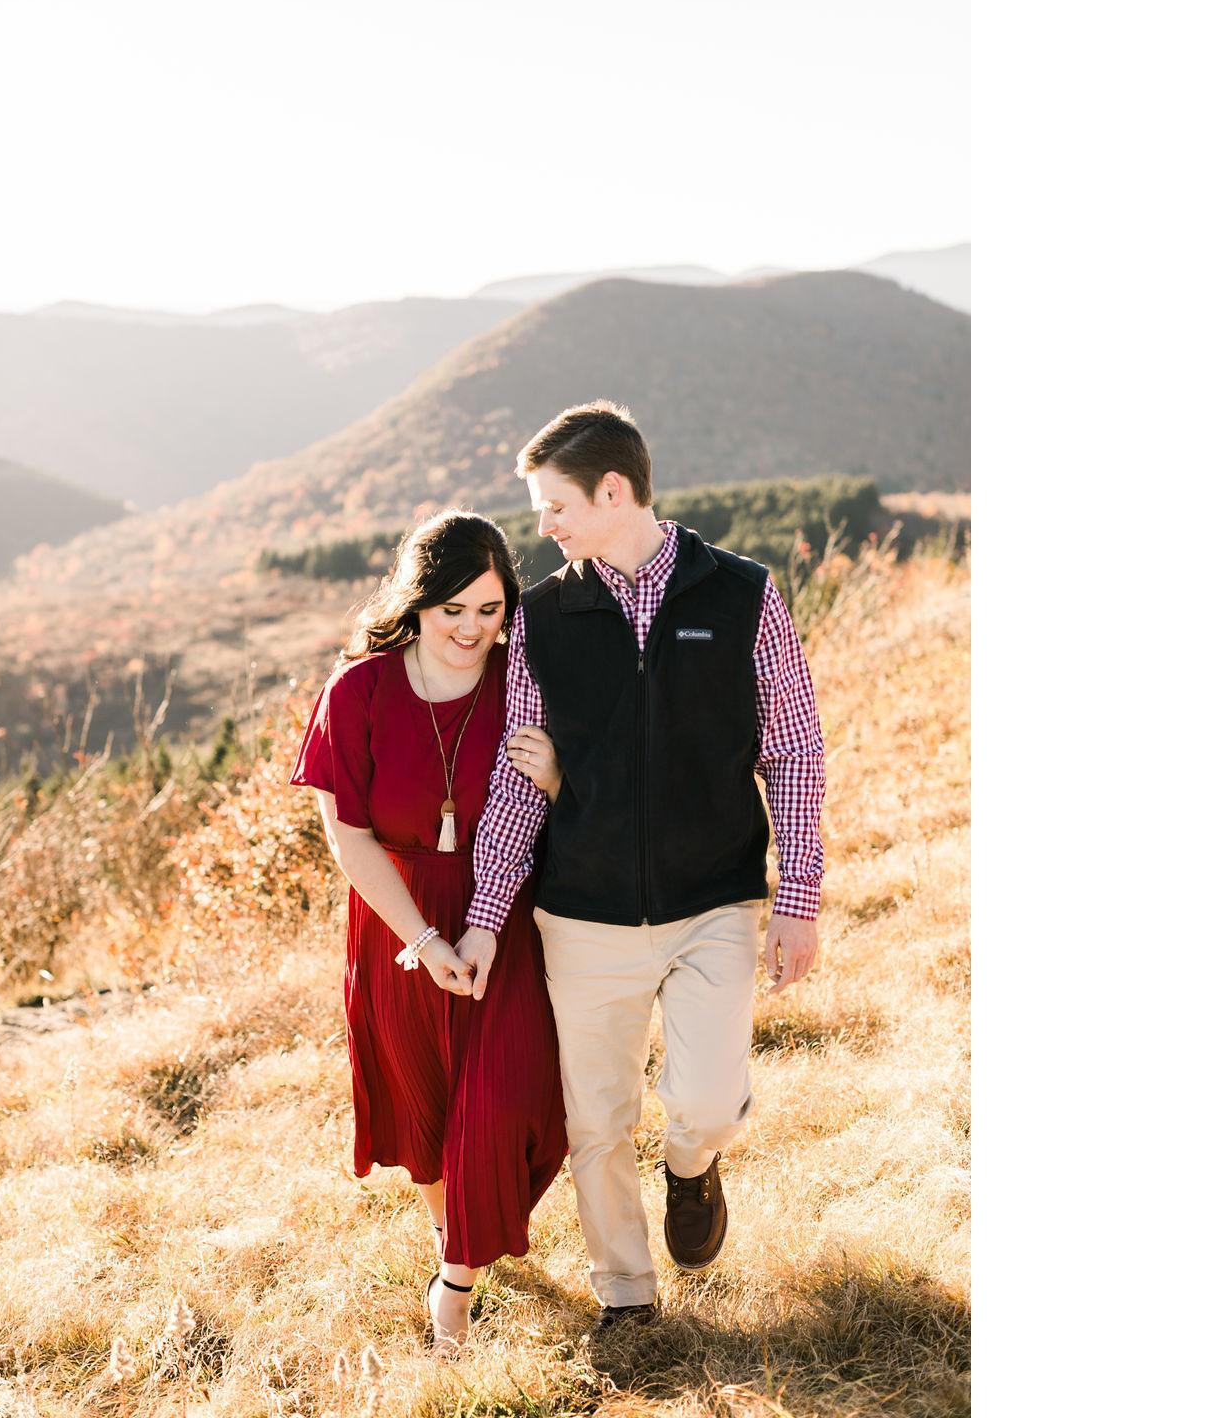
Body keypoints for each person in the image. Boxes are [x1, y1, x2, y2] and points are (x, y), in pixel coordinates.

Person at [455, 401, 826, 1332]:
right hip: (584, 912)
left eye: (554, 508)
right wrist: (487, 919)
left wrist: (801, 897)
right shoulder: (542, 618)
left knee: (702, 1100)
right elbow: (515, 782)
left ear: (612, 492)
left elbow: (794, 749)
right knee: (598, 1122)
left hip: (715, 899)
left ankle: (694, 1165)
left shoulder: (741, 594)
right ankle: (626, 1292)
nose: (543, 529)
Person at [288, 509, 569, 1355]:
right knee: (426, 1109)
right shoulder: (358, 693)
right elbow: (350, 839)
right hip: (396, 919)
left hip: (500, 912)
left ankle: (453, 1285)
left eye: (489, 610)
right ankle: (459, 1255)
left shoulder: (523, 678)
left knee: (505, 1098)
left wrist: (559, 777)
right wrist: (420, 939)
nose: (472, 630)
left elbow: (560, 804)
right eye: (453, 611)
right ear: (416, 604)